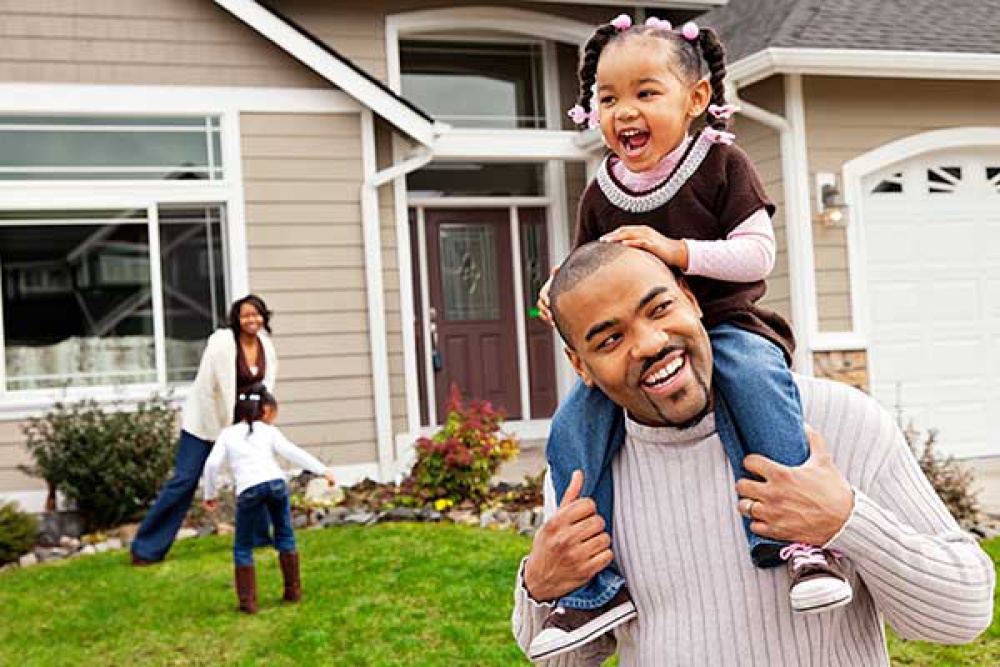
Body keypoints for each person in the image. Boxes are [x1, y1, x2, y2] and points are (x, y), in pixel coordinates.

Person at [513, 241, 995, 665]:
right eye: (611, 339)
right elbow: (565, 662)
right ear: (582, 366)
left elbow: (963, 617)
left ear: (690, 298)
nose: (651, 344)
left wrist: (847, 519)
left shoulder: (836, 419)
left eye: (659, 309)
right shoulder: (584, 468)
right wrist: (539, 586)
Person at [531, 14, 844, 658]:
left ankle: (802, 544)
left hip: (725, 325)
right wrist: (559, 283)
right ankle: (593, 587)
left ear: (696, 98)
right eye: (609, 98)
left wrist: (674, 250)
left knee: (756, 382)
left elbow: (756, 256)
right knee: (570, 425)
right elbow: (590, 266)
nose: (625, 112)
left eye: (646, 92)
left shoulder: (721, 164)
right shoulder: (600, 191)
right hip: (643, 345)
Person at [130, 294, 278, 565]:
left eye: (256, 315)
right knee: (184, 481)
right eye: (245, 315)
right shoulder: (221, 344)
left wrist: (258, 423)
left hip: (244, 426)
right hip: (204, 425)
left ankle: (259, 538)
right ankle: (145, 549)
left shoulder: (266, 346)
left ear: (264, 317)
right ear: (236, 318)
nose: (251, 320)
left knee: (256, 476)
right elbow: (207, 392)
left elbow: (265, 390)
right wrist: (219, 433)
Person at [202, 384, 336, 614]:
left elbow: (213, 464)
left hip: (249, 490)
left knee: (243, 545)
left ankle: (248, 602)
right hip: (275, 484)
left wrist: (210, 494)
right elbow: (292, 451)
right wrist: (323, 470)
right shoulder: (268, 431)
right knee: (284, 534)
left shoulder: (228, 434)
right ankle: (292, 590)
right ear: (260, 410)